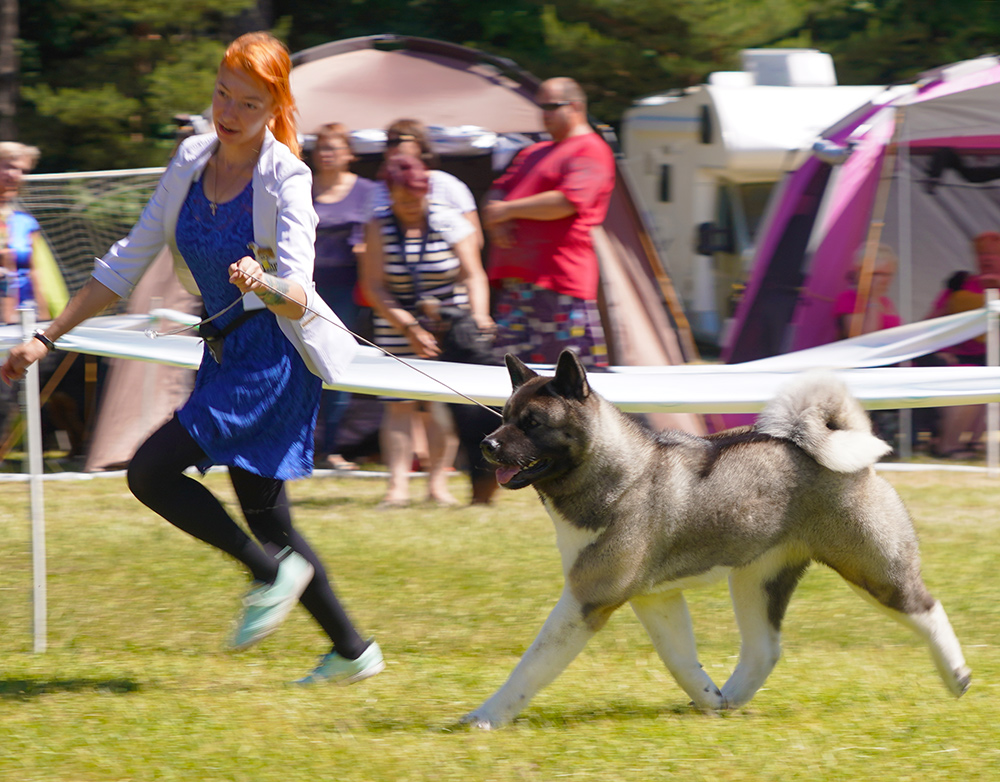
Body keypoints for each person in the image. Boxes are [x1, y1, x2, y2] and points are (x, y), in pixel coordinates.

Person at [0, 32, 383, 685]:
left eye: (248, 103)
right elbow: (126, 261)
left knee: (150, 472)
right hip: (226, 349)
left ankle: (268, 574)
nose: (229, 112)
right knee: (266, 515)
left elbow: (299, 287)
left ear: (275, 107)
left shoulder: (285, 174)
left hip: (275, 359)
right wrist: (50, 334)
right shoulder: (190, 159)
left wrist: (262, 283)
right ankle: (353, 651)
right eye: (221, 95)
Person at [360, 153, 492, 507]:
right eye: (401, 200)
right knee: (399, 404)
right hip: (396, 319)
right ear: (389, 195)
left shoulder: (450, 222)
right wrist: (408, 326)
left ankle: (438, 485)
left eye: (415, 199)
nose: (409, 207)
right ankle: (397, 488)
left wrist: (479, 316)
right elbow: (374, 285)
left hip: (448, 323)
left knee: (444, 405)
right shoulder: (378, 225)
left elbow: (474, 274)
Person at [483, 77, 616, 369]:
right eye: (540, 106)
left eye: (552, 106)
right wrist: (496, 219)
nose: (544, 113)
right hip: (517, 284)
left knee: (567, 381)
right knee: (513, 377)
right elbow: (497, 190)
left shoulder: (590, 149)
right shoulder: (533, 152)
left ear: (576, 106)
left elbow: (566, 202)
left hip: (560, 284)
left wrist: (506, 211)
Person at [310, 122, 376, 471]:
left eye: (334, 147)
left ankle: (333, 448)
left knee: (335, 364)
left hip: (346, 292)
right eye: (321, 147)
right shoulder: (301, 186)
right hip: (301, 289)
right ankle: (302, 444)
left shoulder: (368, 191)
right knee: (300, 363)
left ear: (350, 154)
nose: (326, 153)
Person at [924, 231, 1000, 458]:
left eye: (994, 253)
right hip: (957, 360)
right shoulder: (959, 285)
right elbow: (930, 325)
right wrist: (942, 350)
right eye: (982, 253)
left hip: (989, 361)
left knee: (987, 378)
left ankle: (974, 442)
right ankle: (948, 446)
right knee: (972, 380)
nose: (987, 258)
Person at [375, 118, 483, 248]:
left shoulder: (446, 183)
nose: (391, 148)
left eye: (397, 141)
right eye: (388, 143)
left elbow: (474, 239)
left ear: (418, 143)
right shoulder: (376, 189)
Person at [0, 142, 47, 324]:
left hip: (24, 312)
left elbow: (35, 271)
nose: (16, 175)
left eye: (23, 171)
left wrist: (44, 316)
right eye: (10, 167)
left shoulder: (24, 221)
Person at [833, 242, 901, 340]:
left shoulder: (885, 301)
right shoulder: (848, 298)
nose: (883, 279)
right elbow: (863, 337)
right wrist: (872, 298)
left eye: (888, 274)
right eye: (876, 274)